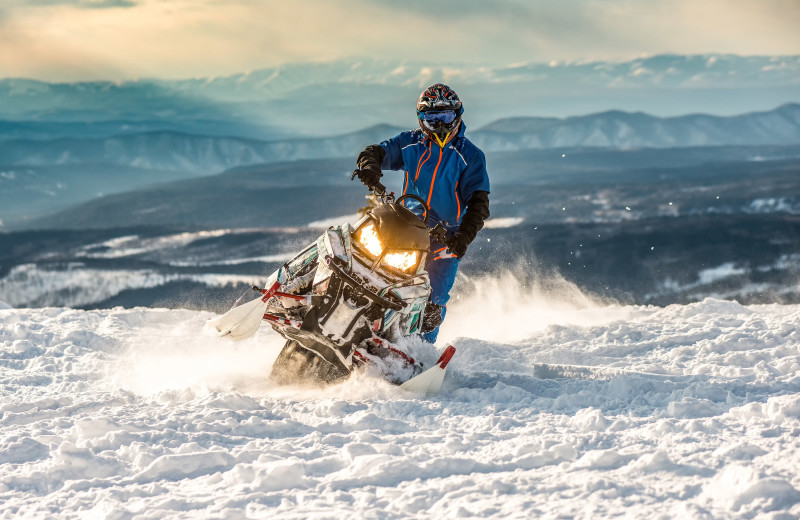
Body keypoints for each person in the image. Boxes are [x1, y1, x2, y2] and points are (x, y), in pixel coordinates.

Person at [353, 83, 490, 343]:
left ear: (457, 115)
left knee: (433, 297)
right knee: (363, 260)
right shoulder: (410, 142)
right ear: (421, 119)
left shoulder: (470, 155)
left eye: (445, 117)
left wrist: (464, 237)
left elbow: (479, 201)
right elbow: (378, 151)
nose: (439, 125)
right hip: (404, 225)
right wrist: (370, 164)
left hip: (445, 237)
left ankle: (419, 351)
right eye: (432, 118)